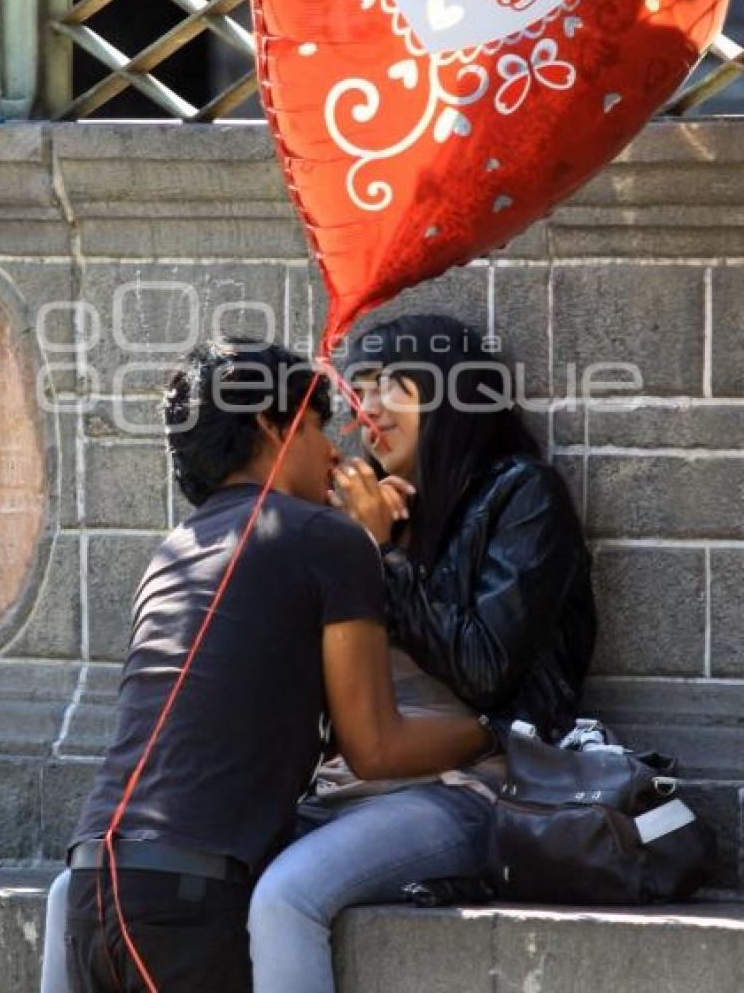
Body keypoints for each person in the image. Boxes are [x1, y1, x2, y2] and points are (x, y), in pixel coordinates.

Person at [55, 336, 493, 993]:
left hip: (92, 883)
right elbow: (375, 745)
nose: (335, 450)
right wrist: (498, 727)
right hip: (186, 902)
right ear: (270, 425)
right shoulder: (330, 541)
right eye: (317, 425)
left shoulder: (174, 549)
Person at [246, 313, 597, 993]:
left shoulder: (521, 495)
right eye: (361, 389)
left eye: (390, 386)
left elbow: (484, 668)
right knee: (158, 870)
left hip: (472, 788)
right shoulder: (363, 513)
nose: (366, 409)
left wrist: (380, 555)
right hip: (344, 787)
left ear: (451, 395)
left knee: (285, 894)